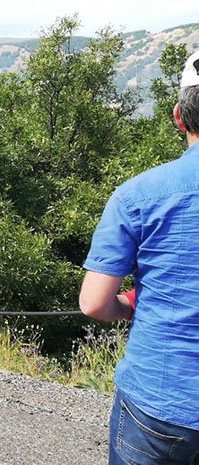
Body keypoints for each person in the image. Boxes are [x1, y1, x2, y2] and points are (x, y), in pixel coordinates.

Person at [80, 51, 199, 464]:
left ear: (179, 117)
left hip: (162, 403)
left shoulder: (138, 195)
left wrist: (130, 304)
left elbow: (94, 303)